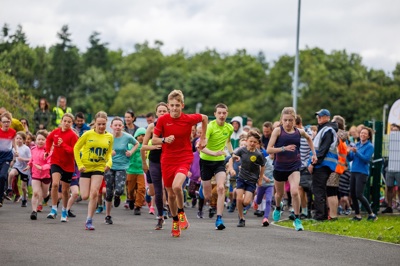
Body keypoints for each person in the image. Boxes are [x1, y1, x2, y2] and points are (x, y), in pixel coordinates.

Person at [152, 90, 208, 237]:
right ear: (168, 106)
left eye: (177, 105)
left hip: (184, 157)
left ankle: (181, 212)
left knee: (177, 186)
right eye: (172, 105)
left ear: (182, 105)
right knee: (170, 194)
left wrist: (202, 138)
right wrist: (164, 140)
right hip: (167, 159)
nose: (175, 108)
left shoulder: (188, 119)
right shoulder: (163, 120)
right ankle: (175, 220)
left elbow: (205, 118)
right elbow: (154, 139)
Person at [267, 107, 317, 231]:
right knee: (279, 194)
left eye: (290, 120)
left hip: (294, 166)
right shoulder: (277, 131)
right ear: (281, 120)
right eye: (285, 120)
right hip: (279, 167)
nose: (288, 123)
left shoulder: (299, 132)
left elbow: (309, 138)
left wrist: (314, 154)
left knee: (295, 191)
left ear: (294, 120)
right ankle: (278, 207)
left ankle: (297, 218)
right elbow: (269, 149)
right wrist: (284, 148)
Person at [74, 111, 114, 230]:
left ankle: (89, 220)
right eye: (99, 124)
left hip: (99, 167)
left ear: (106, 123)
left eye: (103, 124)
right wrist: (79, 164)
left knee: (95, 192)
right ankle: (88, 216)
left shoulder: (109, 137)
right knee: (85, 196)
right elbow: (76, 148)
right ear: (95, 123)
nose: (101, 127)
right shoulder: (87, 134)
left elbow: (109, 154)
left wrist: (109, 163)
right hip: (86, 167)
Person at [199, 103, 233, 230]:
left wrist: (233, 153)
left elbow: (228, 142)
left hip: (220, 162)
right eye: (219, 113)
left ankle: (219, 219)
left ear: (227, 114)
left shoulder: (229, 128)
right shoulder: (209, 127)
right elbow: (202, 148)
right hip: (206, 161)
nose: (222, 115)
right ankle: (204, 197)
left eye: (224, 113)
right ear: (215, 114)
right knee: (207, 195)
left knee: (220, 188)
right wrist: (214, 152)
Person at [102, 117, 138, 224]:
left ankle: (117, 196)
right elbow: (101, 149)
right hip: (109, 166)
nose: (117, 127)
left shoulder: (127, 137)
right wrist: (108, 153)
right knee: (108, 192)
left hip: (122, 166)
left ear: (123, 127)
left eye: (119, 125)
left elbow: (136, 144)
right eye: (115, 125)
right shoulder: (107, 137)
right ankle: (108, 216)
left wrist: (131, 152)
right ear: (111, 126)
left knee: (119, 190)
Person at [228, 130, 266, 227]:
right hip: (241, 178)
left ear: (257, 143)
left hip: (252, 180)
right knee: (239, 199)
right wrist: (231, 169)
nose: (252, 143)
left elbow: (263, 166)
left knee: (246, 202)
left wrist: (260, 179)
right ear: (247, 140)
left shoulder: (259, 154)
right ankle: (241, 218)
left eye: (255, 142)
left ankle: (244, 204)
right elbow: (232, 157)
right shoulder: (242, 150)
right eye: (251, 141)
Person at [45, 113, 79, 222]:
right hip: (56, 162)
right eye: (65, 121)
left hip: (68, 165)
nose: (66, 123)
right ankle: (54, 209)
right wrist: (47, 150)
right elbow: (48, 140)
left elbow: (74, 151)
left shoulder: (73, 135)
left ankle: (64, 211)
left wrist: (63, 144)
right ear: (61, 121)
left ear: (71, 123)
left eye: (69, 122)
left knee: (65, 191)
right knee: (54, 184)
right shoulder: (55, 132)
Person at [141, 102, 169, 230]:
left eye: (165, 111)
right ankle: (160, 217)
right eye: (160, 111)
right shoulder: (152, 127)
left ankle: (170, 210)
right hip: (154, 161)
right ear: (156, 113)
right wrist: (154, 147)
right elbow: (143, 146)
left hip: (169, 160)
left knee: (169, 188)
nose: (162, 113)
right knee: (158, 190)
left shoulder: (171, 126)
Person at [308, 109, 338, 221]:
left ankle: (320, 216)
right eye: (318, 116)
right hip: (324, 164)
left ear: (327, 117)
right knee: (320, 190)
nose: (319, 118)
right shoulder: (325, 129)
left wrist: (312, 164)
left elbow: (323, 150)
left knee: (318, 190)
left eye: (321, 116)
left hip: (322, 164)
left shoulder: (328, 130)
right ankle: (323, 215)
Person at [348, 126, 377, 221]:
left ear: (368, 136)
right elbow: (351, 158)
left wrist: (356, 152)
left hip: (362, 172)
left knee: (359, 194)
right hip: (354, 171)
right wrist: (348, 153)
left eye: (365, 133)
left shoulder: (370, 146)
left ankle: (371, 213)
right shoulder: (357, 144)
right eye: (361, 133)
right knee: (352, 194)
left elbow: (366, 159)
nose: (362, 134)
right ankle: (357, 215)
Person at [23, 130, 51, 220]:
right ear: (36, 140)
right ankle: (34, 211)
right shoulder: (33, 149)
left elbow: (50, 163)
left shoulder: (48, 150)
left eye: (43, 139)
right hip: (35, 174)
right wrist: (28, 165)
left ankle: (47, 195)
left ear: (46, 140)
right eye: (39, 139)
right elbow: (32, 159)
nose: (40, 141)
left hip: (46, 175)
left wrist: (42, 168)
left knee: (44, 193)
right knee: (35, 193)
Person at [326, 115, 348, 220]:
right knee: (333, 192)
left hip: (334, 167)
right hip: (339, 168)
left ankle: (333, 214)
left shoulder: (336, 136)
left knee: (331, 192)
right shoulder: (342, 137)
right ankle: (333, 214)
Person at [7, 132, 31, 205]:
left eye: (20, 139)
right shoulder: (14, 148)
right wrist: (12, 161)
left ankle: (24, 199)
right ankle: (9, 188)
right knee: (11, 174)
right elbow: (14, 158)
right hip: (17, 166)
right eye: (17, 138)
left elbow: (30, 159)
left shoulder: (26, 148)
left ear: (23, 140)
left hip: (25, 169)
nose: (18, 140)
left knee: (23, 188)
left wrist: (23, 159)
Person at [125, 127, 145, 215]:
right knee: (130, 189)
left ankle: (138, 206)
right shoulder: (130, 146)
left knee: (141, 189)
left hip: (141, 171)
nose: (141, 137)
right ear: (136, 136)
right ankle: (131, 199)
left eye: (144, 135)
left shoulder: (146, 146)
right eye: (139, 135)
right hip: (131, 170)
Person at [0, 112, 17, 207]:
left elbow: (14, 144)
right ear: (1, 123)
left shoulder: (13, 132)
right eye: (4, 122)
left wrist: (16, 152)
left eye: (8, 122)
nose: (6, 123)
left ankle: (0, 197)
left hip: (7, 157)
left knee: (2, 176)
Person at [382, 123, 400, 213]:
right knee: (389, 186)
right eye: (392, 130)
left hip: (399, 167)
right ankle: (389, 206)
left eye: (396, 130)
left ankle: (399, 204)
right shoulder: (387, 140)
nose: (394, 132)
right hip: (389, 166)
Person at [255, 153, 274, 226]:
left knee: (268, 200)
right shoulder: (265, 160)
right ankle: (255, 201)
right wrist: (265, 178)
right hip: (262, 184)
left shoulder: (277, 161)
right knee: (258, 201)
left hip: (270, 185)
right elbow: (259, 171)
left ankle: (265, 218)